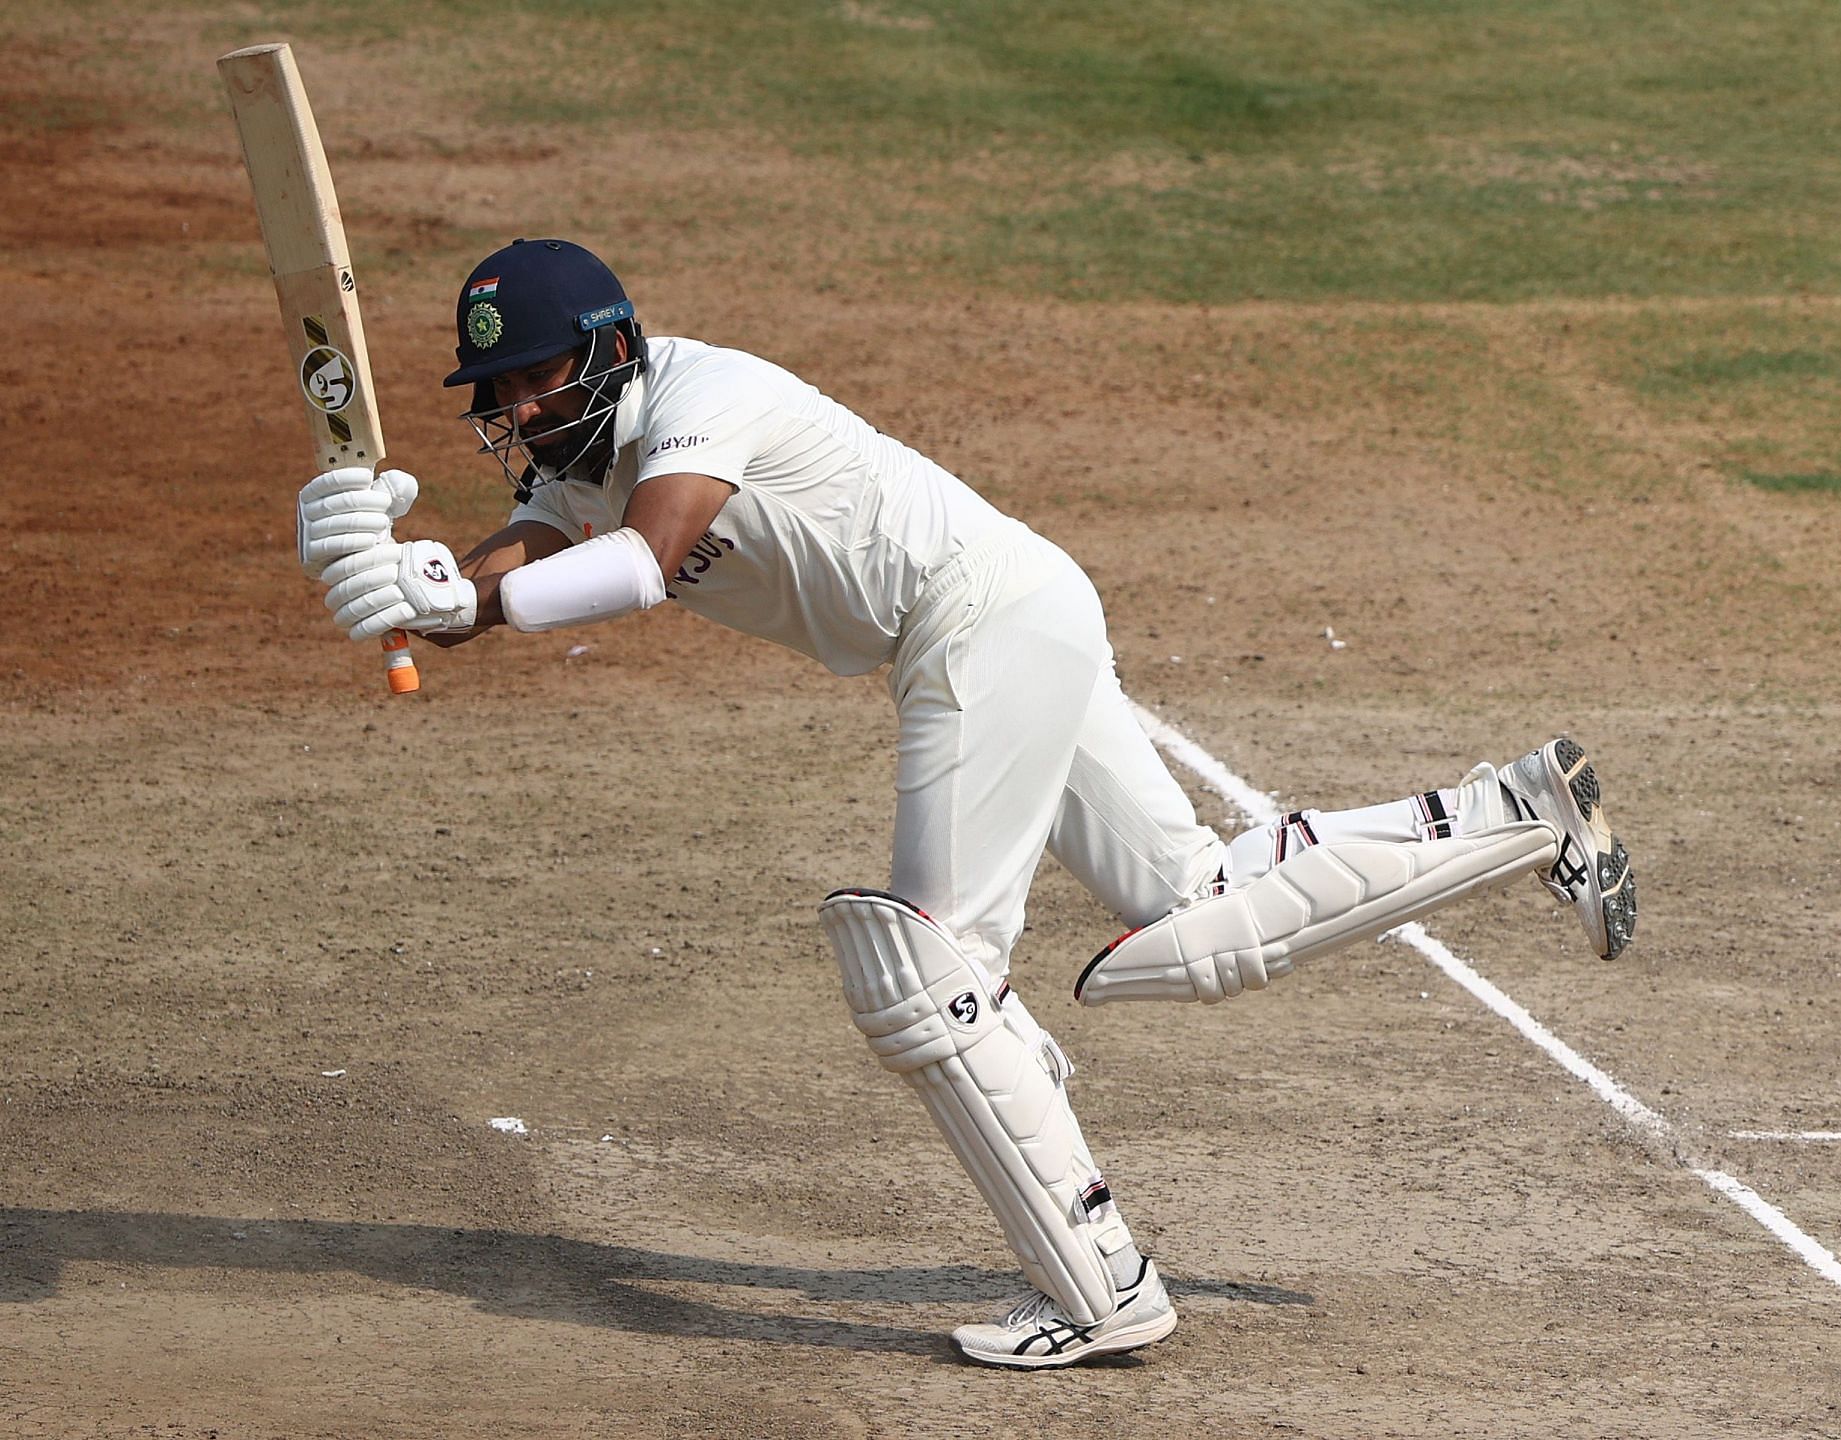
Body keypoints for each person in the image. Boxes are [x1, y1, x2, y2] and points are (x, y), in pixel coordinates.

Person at [296, 237, 1637, 1369]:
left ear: (602, 349)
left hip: (979, 620)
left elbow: (645, 564)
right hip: (1005, 615)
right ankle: (1524, 812)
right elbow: (505, 573)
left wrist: (470, 597)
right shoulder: (568, 468)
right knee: (1197, 912)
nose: (513, 408)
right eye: (494, 390)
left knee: (923, 967)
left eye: (528, 378)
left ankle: (1100, 1287)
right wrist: (400, 574)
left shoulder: (708, 398)